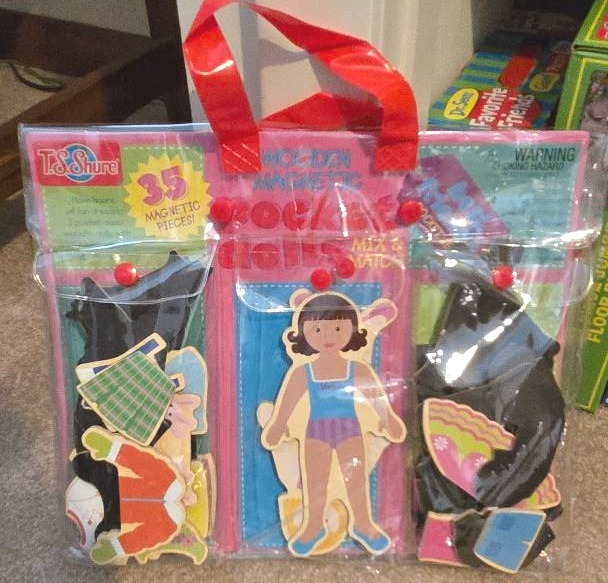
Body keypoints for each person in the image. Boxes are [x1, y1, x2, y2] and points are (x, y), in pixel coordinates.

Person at [261, 292, 405, 556]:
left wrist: (388, 419)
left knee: (356, 480)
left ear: (352, 330)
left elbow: (375, 396)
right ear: (304, 333)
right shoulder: (303, 371)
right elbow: (288, 402)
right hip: (316, 433)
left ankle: (363, 523)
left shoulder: (357, 368)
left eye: (338, 328)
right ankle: (314, 525)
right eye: (318, 329)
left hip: (350, 430)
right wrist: (278, 425)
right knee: (315, 482)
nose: (328, 336)